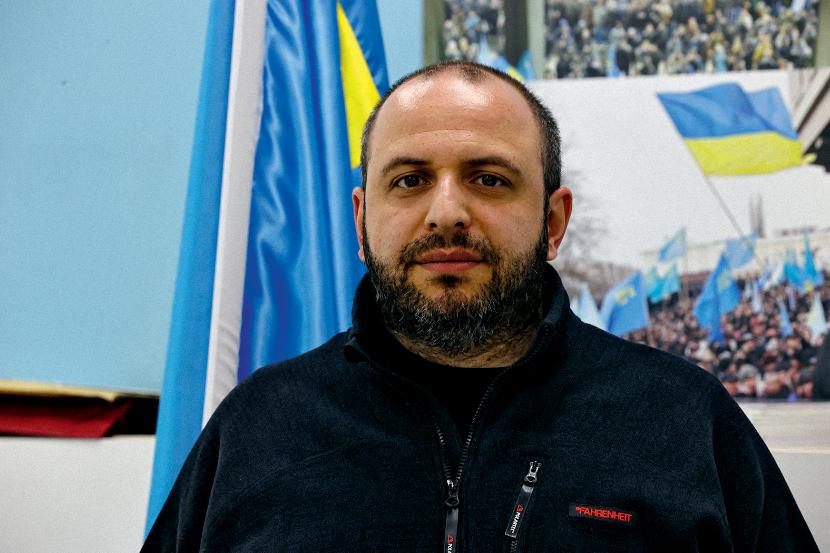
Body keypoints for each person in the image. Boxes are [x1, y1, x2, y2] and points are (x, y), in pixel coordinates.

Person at [142, 61, 817, 552]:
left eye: (488, 179)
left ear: (553, 222)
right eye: (410, 179)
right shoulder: (257, 429)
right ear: (361, 221)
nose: (446, 212)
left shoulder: (685, 422)